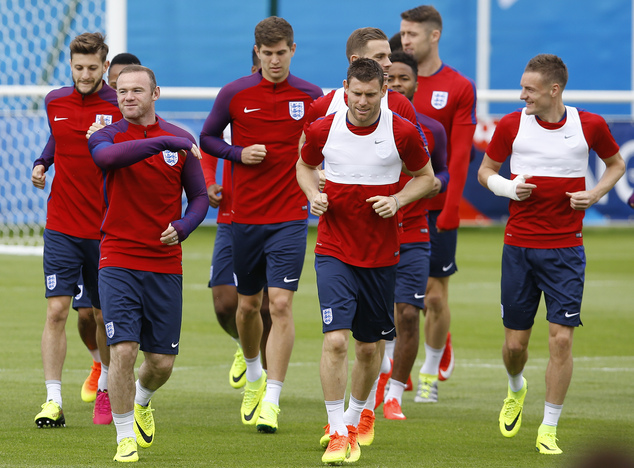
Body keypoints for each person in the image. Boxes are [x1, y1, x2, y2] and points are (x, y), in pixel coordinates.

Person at [477, 53, 625, 455]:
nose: (522, 94)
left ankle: (549, 428)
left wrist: (595, 193)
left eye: (529, 89)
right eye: (523, 87)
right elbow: (485, 172)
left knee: (561, 341)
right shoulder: (511, 125)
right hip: (519, 248)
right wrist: (508, 188)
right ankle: (515, 388)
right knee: (515, 348)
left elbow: (616, 164)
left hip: (566, 250)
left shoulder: (589, 124)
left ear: (553, 90)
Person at [297, 58, 435, 465]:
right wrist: (312, 196)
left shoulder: (403, 132)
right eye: (355, 93)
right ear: (345, 87)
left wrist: (397, 200)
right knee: (336, 340)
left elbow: (426, 178)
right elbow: (304, 165)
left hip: (381, 253)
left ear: (384, 91)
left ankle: (357, 418)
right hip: (333, 248)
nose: (361, 102)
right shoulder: (323, 127)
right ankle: (337, 429)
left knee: (368, 346)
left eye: (370, 95)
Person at [200, 17, 322, 434]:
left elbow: (322, 145)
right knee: (245, 306)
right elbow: (208, 139)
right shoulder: (235, 93)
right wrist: (236, 154)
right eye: (267, 53)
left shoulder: (310, 95)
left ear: (293, 49)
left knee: (281, 304)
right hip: (244, 217)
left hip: (290, 215)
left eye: (281, 52)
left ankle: (272, 397)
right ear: (257, 52)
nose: (274, 60)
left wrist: (320, 180)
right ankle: (253, 371)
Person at [88, 65, 208, 462]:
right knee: (123, 350)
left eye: (136, 91)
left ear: (155, 93)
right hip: (118, 257)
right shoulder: (107, 136)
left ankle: (141, 401)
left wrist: (185, 224)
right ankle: (124, 438)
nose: (127, 97)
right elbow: (108, 158)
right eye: (121, 91)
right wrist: (163, 143)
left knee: (161, 362)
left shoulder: (181, 140)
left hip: (164, 262)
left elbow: (200, 197)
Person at [31, 32, 122, 429]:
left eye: (92, 68)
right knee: (56, 311)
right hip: (62, 225)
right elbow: (58, 135)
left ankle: (104, 386)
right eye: (78, 67)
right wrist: (42, 162)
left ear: (105, 67)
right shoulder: (55, 101)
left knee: (102, 316)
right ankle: (53, 399)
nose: (84, 75)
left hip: (105, 228)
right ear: (71, 66)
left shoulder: (120, 105)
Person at [400, 5, 478, 393]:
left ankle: (429, 372)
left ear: (435, 36)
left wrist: (450, 208)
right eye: (402, 33)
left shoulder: (459, 87)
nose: (405, 40)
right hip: (397, 206)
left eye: (412, 34)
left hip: (435, 208)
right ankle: (398, 369)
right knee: (397, 297)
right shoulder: (393, 78)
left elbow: (460, 156)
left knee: (434, 295)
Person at [382, 50, 449, 419]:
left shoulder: (432, 129)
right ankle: (376, 377)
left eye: (402, 79)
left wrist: (437, 183)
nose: (395, 85)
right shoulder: (362, 126)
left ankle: (395, 394)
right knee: (374, 318)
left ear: (416, 83)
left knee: (408, 313)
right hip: (372, 233)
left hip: (415, 232)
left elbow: (445, 171)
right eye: (390, 79)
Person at [200, 48, 272, 388]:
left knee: (270, 305)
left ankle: (265, 391)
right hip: (233, 217)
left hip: (278, 217)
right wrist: (210, 183)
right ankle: (244, 346)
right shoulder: (237, 100)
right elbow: (207, 143)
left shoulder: (295, 101)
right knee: (226, 303)